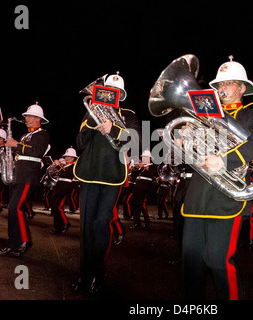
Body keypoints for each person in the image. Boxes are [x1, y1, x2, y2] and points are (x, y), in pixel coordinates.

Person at [181, 56, 253, 300]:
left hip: (227, 198)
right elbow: (190, 156)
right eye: (220, 84)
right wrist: (184, 140)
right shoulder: (202, 114)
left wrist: (224, 161)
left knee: (217, 260)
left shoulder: (251, 112)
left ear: (242, 88)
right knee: (191, 260)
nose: (223, 88)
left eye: (229, 83)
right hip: (197, 195)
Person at [73, 72, 141, 294]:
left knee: (101, 226)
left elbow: (135, 140)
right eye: (105, 91)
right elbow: (80, 142)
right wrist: (94, 118)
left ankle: (98, 277)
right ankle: (85, 276)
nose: (109, 95)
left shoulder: (128, 115)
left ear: (120, 95)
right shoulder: (90, 112)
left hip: (112, 175)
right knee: (86, 228)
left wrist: (113, 128)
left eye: (115, 92)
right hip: (89, 173)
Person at [0, 103, 50, 257]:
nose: (25, 118)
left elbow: (37, 152)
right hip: (18, 175)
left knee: (16, 208)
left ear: (37, 119)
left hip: (28, 176)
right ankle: (12, 243)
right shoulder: (26, 135)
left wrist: (17, 145)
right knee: (12, 210)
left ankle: (22, 242)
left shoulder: (42, 134)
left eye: (28, 116)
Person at [50, 147, 78, 234]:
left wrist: (58, 166)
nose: (65, 158)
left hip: (66, 186)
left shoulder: (74, 166)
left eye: (68, 157)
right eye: (65, 156)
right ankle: (57, 227)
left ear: (73, 158)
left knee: (58, 207)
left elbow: (67, 174)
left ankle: (66, 223)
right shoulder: (64, 165)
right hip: (58, 186)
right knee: (54, 208)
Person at [129, 150, 158, 229]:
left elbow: (150, 175)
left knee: (141, 204)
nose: (143, 158)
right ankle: (136, 223)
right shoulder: (141, 166)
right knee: (133, 203)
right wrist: (134, 169)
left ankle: (146, 221)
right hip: (137, 187)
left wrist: (142, 167)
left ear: (149, 158)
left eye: (145, 157)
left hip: (145, 187)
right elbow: (134, 175)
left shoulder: (152, 166)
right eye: (143, 157)